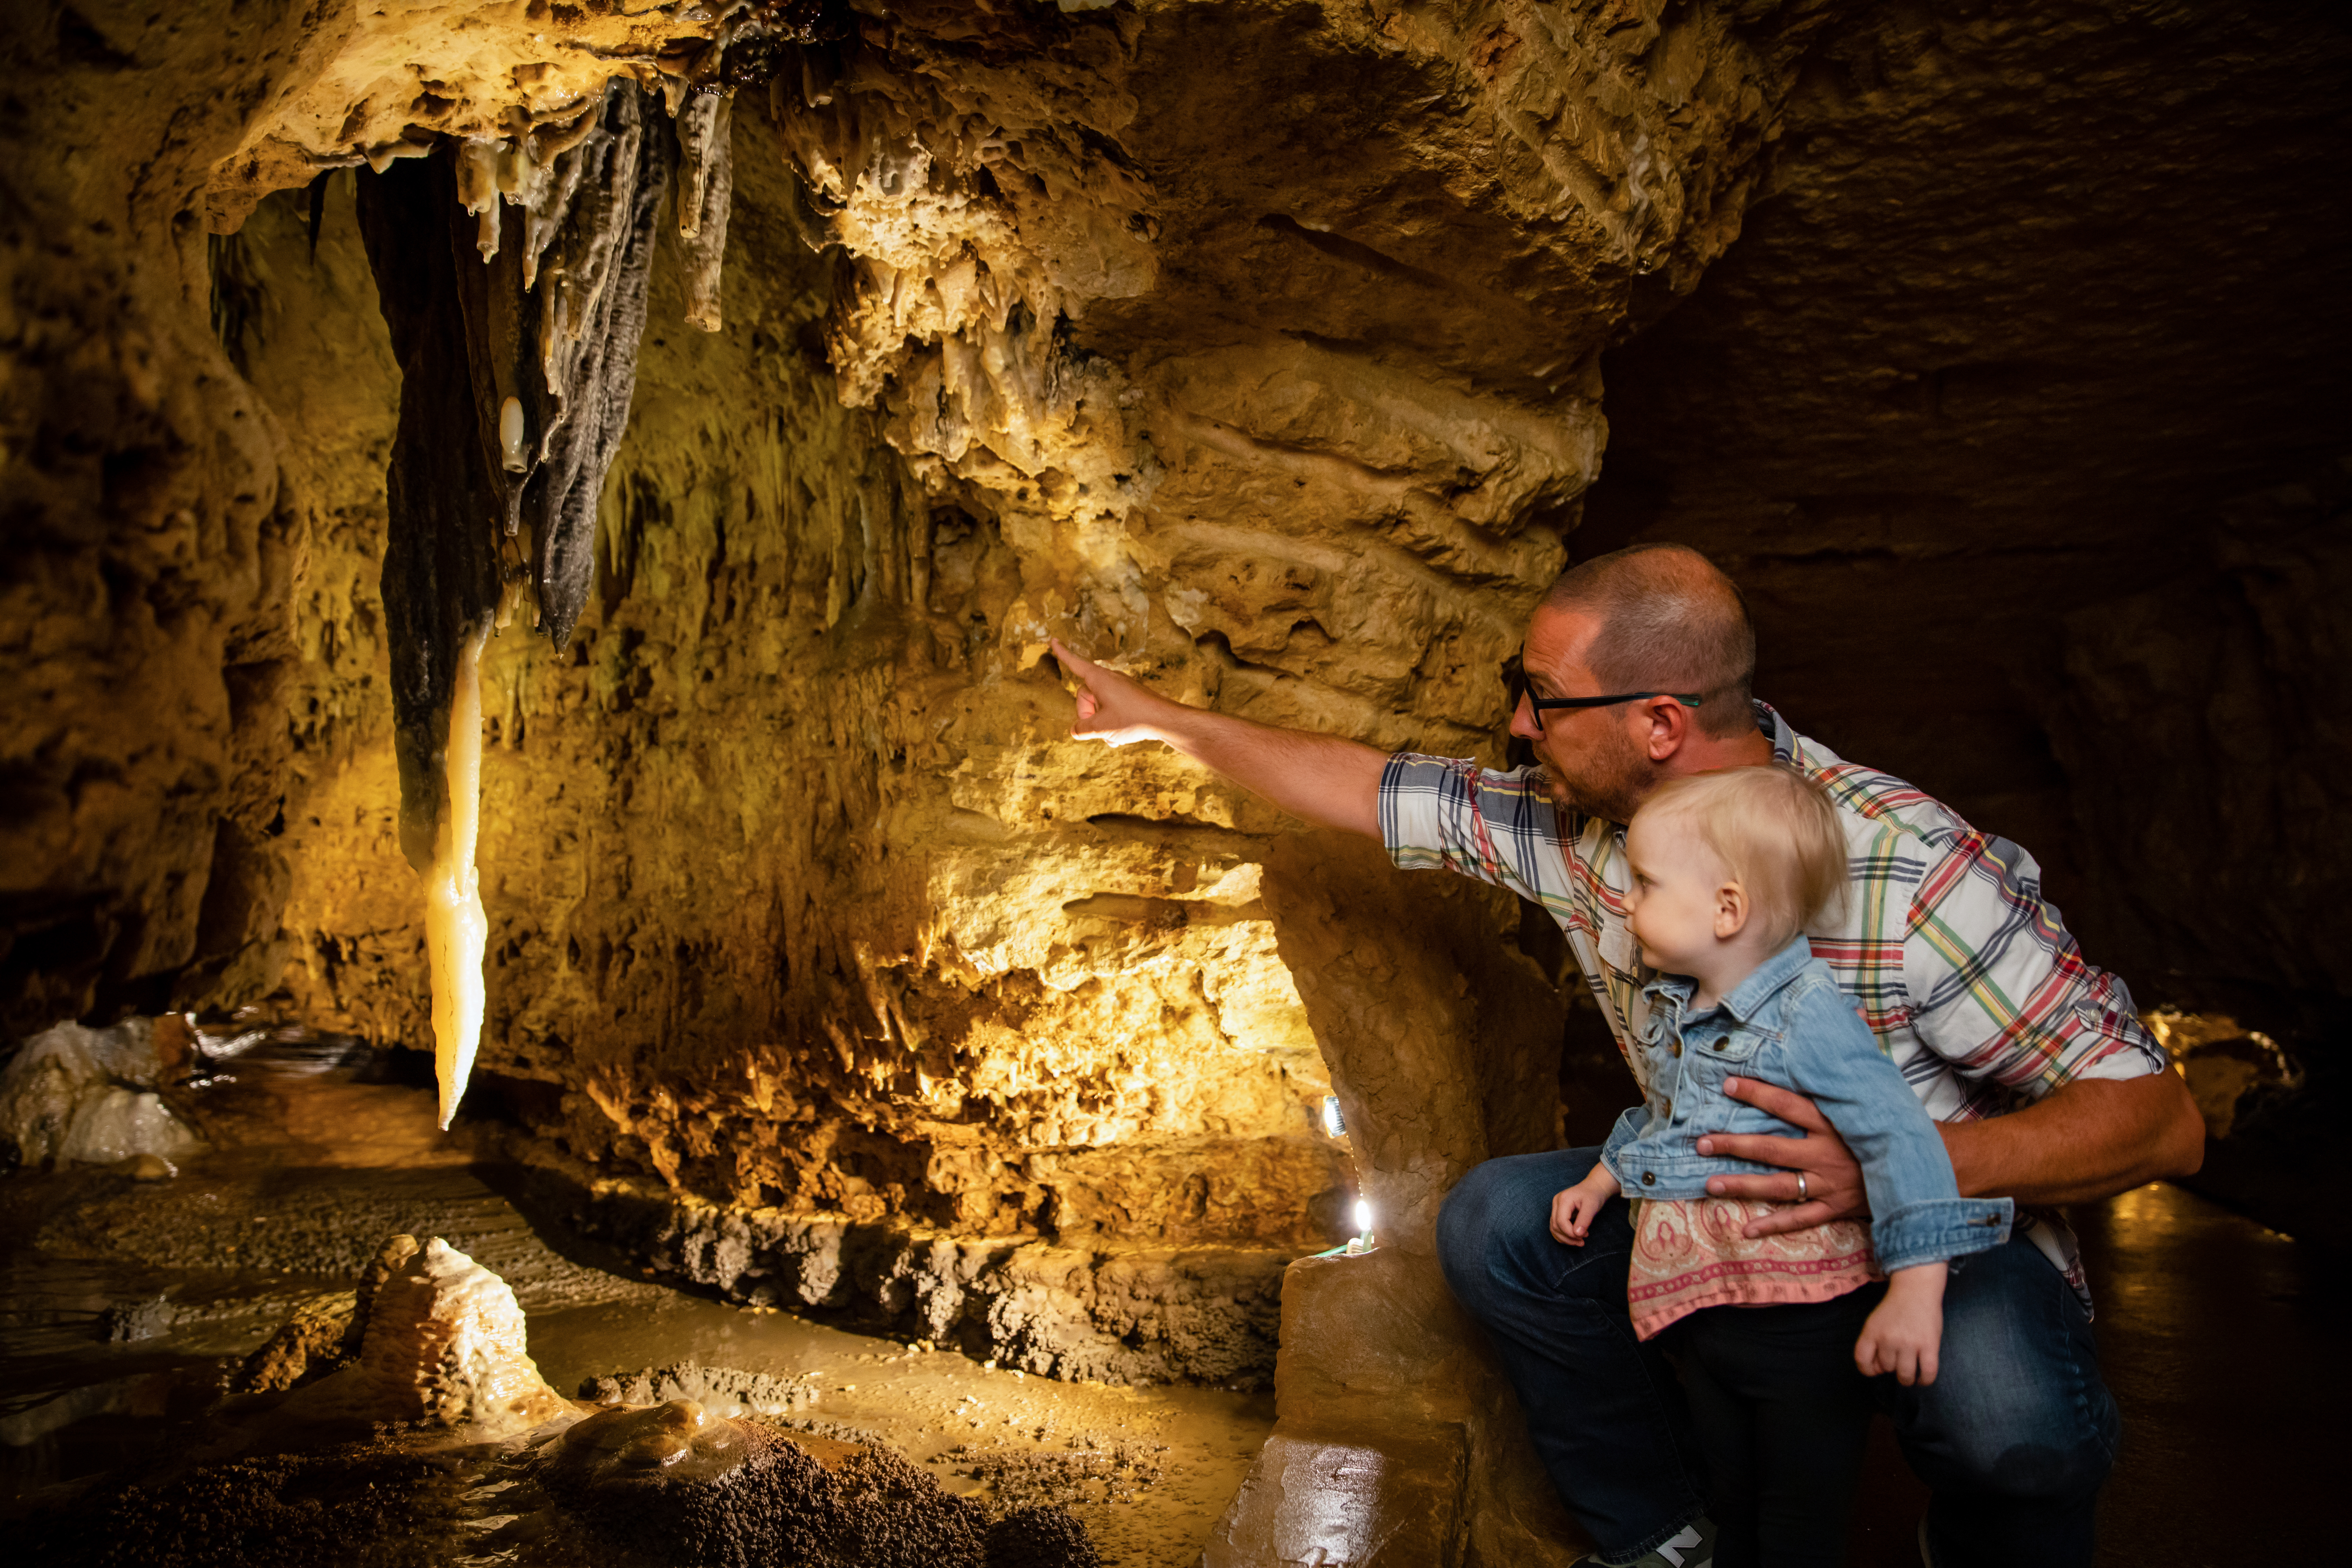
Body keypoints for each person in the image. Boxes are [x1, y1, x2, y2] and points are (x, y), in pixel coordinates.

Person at [1049, 542, 2204, 1568]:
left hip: (1932, 1232)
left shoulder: (1905, 864)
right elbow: (1372, 788)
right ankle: (1662, 1531)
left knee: (2010, 1427)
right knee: (1502, 1227)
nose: (1517, 725)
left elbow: (2161, 1119)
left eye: (1539, 697)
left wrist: (1895, 1165)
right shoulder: (1581, 834)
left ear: (1659, 723)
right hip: (1710, 1208)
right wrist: (1169, 719)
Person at [1549, 764, 2014, 1567]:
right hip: (1708, 1311)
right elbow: (1670, 1115)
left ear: (1728, 908)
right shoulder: (1677, 999)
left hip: (1803, 1324)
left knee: (1798, 1520)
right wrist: (1605, 1177)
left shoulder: (1807, 1014)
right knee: (1736, 1502)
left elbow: (1899, 1138)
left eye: (1648, 884)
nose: (1627, 900)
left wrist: (1915, 1286)